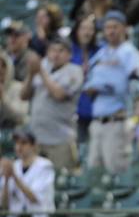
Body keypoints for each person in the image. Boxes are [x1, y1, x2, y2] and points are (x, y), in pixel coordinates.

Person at [84, 10, 139, 174]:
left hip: (117, 122)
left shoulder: (130, 53)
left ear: (124, 28)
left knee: (116, 172)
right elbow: (89, 80)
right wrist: (91, 88)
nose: (110, 31)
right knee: (94, 174)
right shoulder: (101, 54)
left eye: (115, 27)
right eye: (107, 27)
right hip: (97, 122)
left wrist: (107, 87)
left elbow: (135, 85)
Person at [21, 37, 83, 171]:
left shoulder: (74, 71)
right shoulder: (43, 66)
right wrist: (31, 74)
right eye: (52, 50)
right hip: (37, 138)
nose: (56, 54)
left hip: (60, 140)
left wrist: (41, 72)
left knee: (61, 182)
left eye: (61, 51)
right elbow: (23, 96)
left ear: (69, 55)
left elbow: (59, 95)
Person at [0, 128, 54, 217]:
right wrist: (6, 180)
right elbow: (4, 206)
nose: (19, 147)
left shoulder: (45, 166)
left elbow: (34, 198)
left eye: (23, 143)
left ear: (34, 145)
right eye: (17, 143)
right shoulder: (15, 165)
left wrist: (14, 176)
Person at [70, 14, 101, 142]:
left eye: (90, 29)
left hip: (97, 110)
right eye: (83, 28)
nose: (87, 33)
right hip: (73, 109)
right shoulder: (68, 52)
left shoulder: (101, 51)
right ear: (76, 31)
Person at [0, 50, 28, 128]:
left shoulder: (18, 87)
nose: (0, 69)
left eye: (3, 66)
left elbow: (20, 116)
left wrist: (3, 98)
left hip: (12, 133)